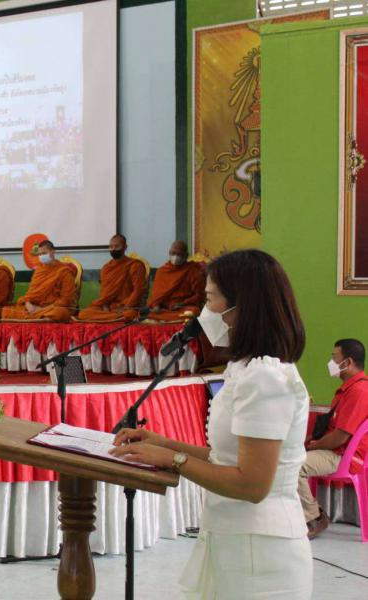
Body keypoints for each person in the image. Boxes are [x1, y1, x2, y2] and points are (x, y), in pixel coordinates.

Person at [110, 249, 312, 599]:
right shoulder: (244, 369)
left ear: (242, 306)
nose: (205, 311)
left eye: (210, 298)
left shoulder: (264, 378)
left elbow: (253, 484)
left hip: (260, 550)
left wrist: (172, 460)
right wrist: (163, 444)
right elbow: (226, 458)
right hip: (232, 535)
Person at [298, 339, 368, 539]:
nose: (331, 362)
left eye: (334, 358)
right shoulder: (349, 389)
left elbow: (340, 437)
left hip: (343, 456)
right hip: (334, 450)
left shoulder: (359, 392)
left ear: (348, 362)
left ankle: (314, 517)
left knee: (293, 465)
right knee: (287, 458)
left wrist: (315, 446)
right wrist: (312, 441)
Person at [75, 234, 147, 322]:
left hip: (126, 307)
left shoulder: (135, 265)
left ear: (125, 247)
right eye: (111, 246)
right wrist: (105, 306)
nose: (113, 249)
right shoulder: (106, 268)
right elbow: (104, 294)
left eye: (117, 246)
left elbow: (138, 290)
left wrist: (126, 306)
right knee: (83, 314)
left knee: (129, 314)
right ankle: (114, 318)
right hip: (108, 307)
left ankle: (111, 318)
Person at [0, 240, 77, 322]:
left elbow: (65, 300)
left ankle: (37, 317)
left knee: (60, 313)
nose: (41, 256)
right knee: (6, 311)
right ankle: (40, 318)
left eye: (44, 253)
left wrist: (42, 309)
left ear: (53, 252)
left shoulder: (65, 272)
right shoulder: (39, 270)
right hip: (34, 308)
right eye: (39, 254)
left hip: (51, 308)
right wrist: (28, 305)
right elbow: (30, 294)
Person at [145, 241, 206, 322]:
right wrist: (156, 305)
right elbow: (156, 296)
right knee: (151, 314)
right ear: (169, 253)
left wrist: (182, 303)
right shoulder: (161, 271)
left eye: (179, 254)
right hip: (165, 309)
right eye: (173, 253)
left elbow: (199, 295)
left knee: (193, 312)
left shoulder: (193, 270)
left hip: (184, 307)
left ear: (186, 255)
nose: (176, 257)